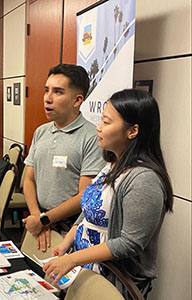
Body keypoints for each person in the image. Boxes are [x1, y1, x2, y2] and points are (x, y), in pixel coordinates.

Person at [43, 89, 173, 299]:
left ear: (133, 131)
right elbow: (90, 208)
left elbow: (129, 243)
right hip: (87, 270)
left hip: (114, 281)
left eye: (106, 122)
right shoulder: (112, 164)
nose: (98, 127)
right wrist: (68, 241)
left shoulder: (144, 179)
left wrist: (74, 259)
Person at [22, 64, 105, 252]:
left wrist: (45, 219)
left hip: (69, 229)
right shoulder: (41, 131)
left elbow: (85, 197)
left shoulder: (92, 137)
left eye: (58, 92)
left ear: (77, 100)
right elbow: (29, 179)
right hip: (40, 220)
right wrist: (38, 217)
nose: (47, 98)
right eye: (46, 90)